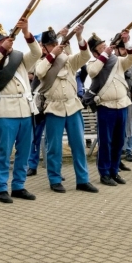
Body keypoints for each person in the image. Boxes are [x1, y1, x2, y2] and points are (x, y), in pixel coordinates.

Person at [34, 26, 98, 194]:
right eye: (51, 44)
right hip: (54, 107)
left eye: (55, 43)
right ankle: (54, 179)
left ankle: (82, 180)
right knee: (54, 147)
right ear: (45, 46)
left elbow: (85, 56)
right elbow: (40, 72)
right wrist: (53, 54)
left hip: (73, 106)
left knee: (78, 145)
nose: (55, 45)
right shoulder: (42, 62)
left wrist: (79, 36)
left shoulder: (68, 60)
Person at [0, 21, 41, 203]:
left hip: (25, 110)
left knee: (24, 152)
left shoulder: (19, 57)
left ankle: (18, 186)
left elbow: (37, 53)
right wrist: (1, 51)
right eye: (2, 41)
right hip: (7, 112)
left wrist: (26, 32)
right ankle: (1, 188)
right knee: (5, 152)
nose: (7, 43)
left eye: (7, 39)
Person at [85, 31, 132, 186]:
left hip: (121, 105)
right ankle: (104, 173)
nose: (105, 48)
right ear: (95, 52)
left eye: (105, 46)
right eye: (101, 48)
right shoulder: (92, 64)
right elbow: (94, 71)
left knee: (119, 141)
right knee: (106, 142)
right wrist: (105, 55)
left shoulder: (118, 61)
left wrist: (127, 42)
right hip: (105, 107)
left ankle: (114, 171)